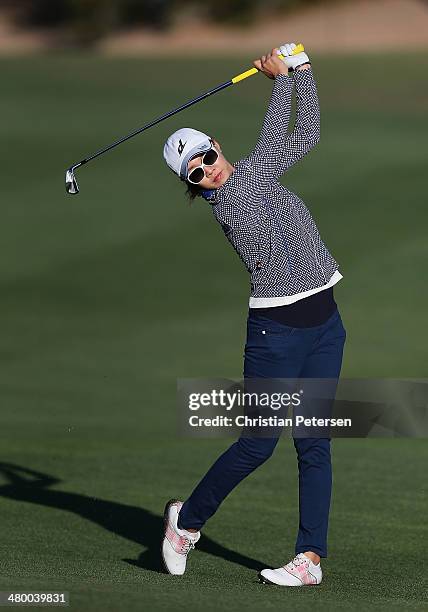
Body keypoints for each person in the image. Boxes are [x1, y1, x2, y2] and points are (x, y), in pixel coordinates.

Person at [161, 43, 347, 586]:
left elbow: (305, 133)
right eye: (195, 174)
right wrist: (280, 76)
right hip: (278, 333)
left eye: (207, 158)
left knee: (315, 442)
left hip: (324, 324)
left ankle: (310, 559)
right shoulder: (237, 198)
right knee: (258, 445)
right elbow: (270, 140)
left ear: (217, 147)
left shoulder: (255, 172)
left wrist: (304, 70)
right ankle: (185, 525)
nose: (208, 172)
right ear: (192, 185)